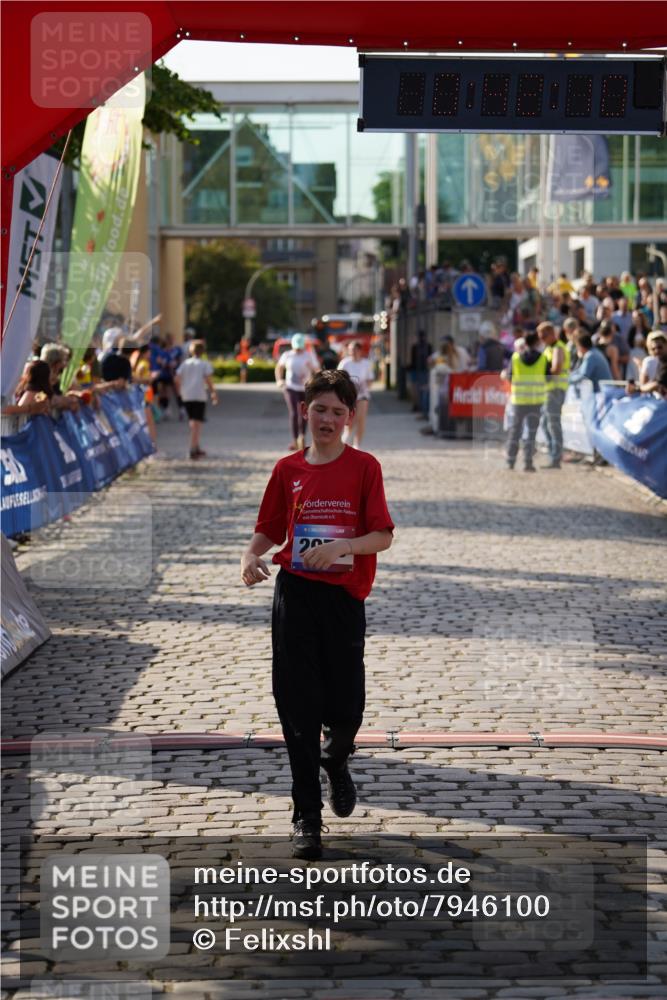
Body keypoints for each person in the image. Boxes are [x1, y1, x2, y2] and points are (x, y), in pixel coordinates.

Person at [240, 369, 394, 860]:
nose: (327, 419)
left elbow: (383, 535)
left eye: (337, 412)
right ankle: (306, 815)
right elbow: (267, 529)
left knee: (347, 705)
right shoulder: (287, 470)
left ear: (350, 418)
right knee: (298, 707)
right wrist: (250, 556)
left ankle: (337, 756)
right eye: (320, 409)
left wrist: (344, 545)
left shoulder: (365, 467)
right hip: (297, 596)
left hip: (344, 600)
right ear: (305, 411)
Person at [504, 330, 549, 472]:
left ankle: (510, 461)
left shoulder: (516, 357)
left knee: (515, 431)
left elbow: (509, 376)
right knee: (532, 433)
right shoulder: (543, 358)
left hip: (519, 400)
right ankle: (528, 463)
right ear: (536, 342)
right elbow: (548, 377)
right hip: (536, 400)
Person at [174, 340, 218, 459]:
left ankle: (196, 446)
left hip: (186, 395)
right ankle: (192, 449)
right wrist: (213, 393)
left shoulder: (185, 363)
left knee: (192, 422)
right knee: (196, 423)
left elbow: (177, 379)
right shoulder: (204, 364)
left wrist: (180, 392)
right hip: (199, 395)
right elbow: (208, 380)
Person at [276, 334, 319, 451]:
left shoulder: (309, 355)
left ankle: (302, 437)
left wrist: (313, 369)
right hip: (291, 387)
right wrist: (280, 380)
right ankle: (295, 440)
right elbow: (279, 367)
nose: (298, 349)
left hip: (305, 388)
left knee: (304, 413)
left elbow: (318, 370)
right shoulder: (287, 355)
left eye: (300, 347)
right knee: (294, 412)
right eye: (296, 347)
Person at [538, 322, 569, 469]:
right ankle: (553, 455)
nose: (541, 339)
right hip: (549, 390)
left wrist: (541, 373)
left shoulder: (558, 348)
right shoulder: (549, 348)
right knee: (545, 424)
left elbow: (556, 369)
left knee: (553, 424)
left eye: (544, 335)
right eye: (540, 336)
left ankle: (556, 458)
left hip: (555, 390)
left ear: (551, 334)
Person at [337, 341, 374, 449]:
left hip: (363, 395)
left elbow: (370, 380)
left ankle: (357, 445)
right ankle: (344, 442)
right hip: (349, 396)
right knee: (350, 420)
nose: (351, 352)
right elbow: (338, 379)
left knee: (361, 419)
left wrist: (364, 385)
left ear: (359, 350)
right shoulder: (345, 363)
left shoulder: (366, 363)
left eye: (354, 349)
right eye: (350, 350)